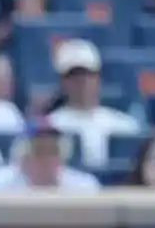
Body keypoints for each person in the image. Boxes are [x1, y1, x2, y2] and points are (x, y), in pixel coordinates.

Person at [45, 39, 140, 168]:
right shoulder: (49, 126)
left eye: (88, 74)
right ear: (62, 82)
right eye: (73, 76)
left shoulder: (125, 125)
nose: (82, 81)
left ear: (98, 78)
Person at [0, 121, 101, 191]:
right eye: (40, 151)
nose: (48, 159)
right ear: (23, 159)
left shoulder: (84, 187)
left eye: (54, 151)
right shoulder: (0, 187)